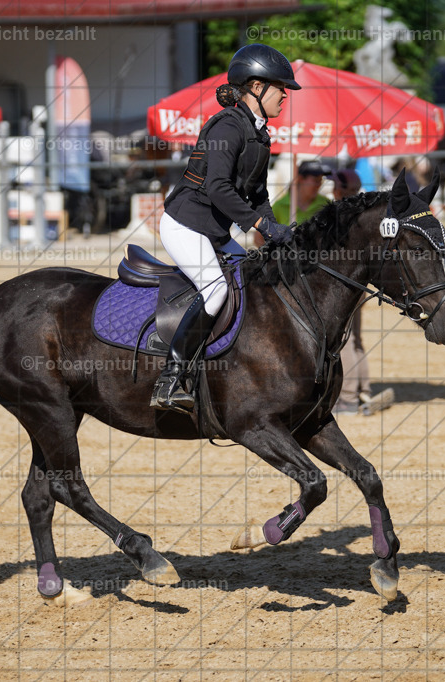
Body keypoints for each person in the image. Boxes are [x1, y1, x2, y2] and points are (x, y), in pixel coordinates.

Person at [151, 44, 299, 413]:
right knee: (216, 290)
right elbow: (218, 187)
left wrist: (277, 231)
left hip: (214, 231)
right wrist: (259, 224)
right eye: (280, 87)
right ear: (256, 87)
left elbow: (258, 195)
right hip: (184, 224)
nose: (285, 94)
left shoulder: (259, 135)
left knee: (250, 282)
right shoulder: (228, 126)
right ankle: (172, 378)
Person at [328, 168, 372, 415]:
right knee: (355, 339)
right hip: (359, 284)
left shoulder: (340, 215)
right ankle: (363, 389)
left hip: (343, 286)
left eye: (334, 185)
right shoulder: (361, 214)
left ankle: (347, 399)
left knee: (343, 340)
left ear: (341, 190)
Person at [271, 160, 332, 225]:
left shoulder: (326, 204)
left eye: (320, 181)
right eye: (316, 180)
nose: (319, 185)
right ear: (300, 179)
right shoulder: (279, 206)